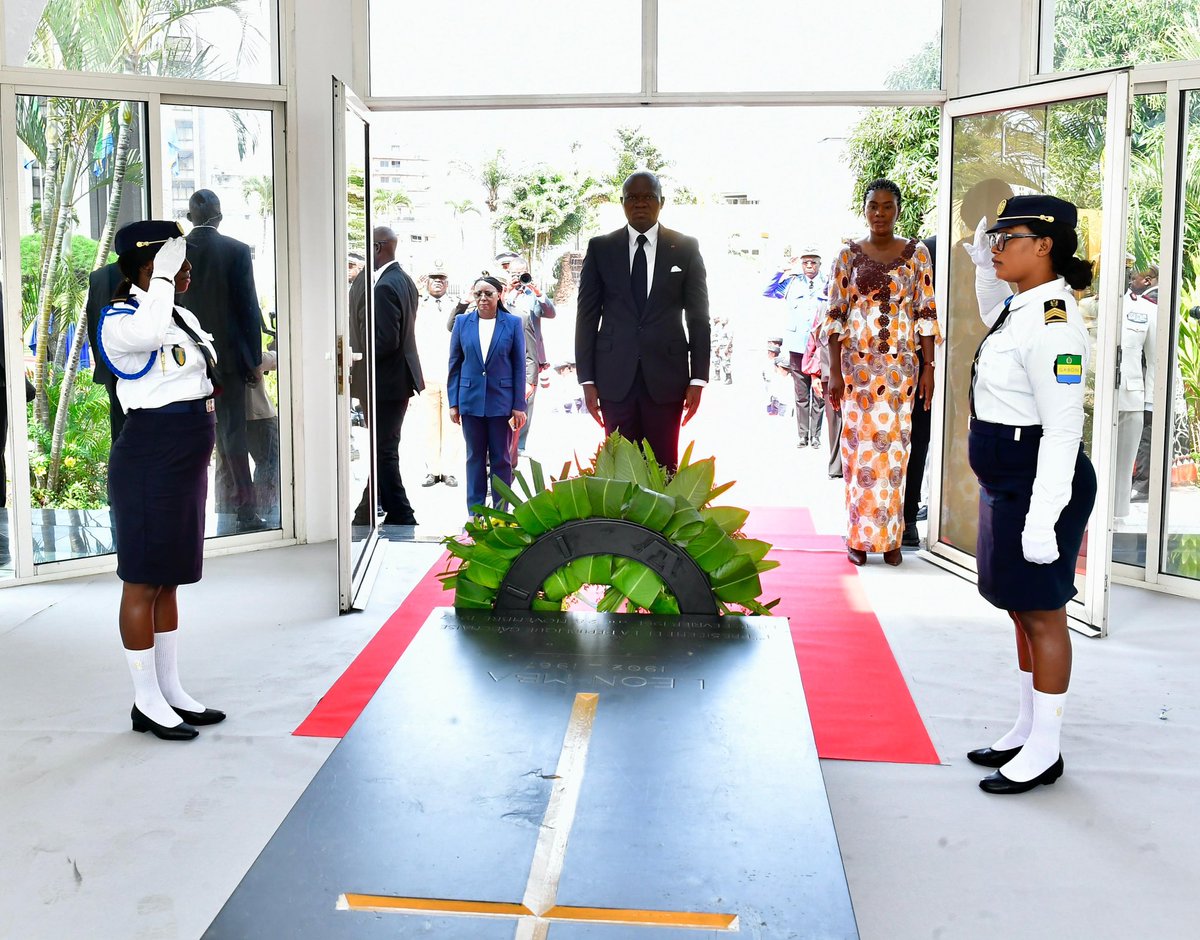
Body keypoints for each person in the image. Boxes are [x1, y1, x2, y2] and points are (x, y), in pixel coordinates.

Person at [963, 194, 1097, 794]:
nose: (995, 246)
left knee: (1044, 615)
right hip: (1010, 482)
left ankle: (1047, 749)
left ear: (1044, 244)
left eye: (1006, 236)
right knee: (1019, 607)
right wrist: (979, 263)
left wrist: (1044, 519)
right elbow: (992, 306)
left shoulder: (1056, 324)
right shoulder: (1022, 307)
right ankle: (1026, 727)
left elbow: (1065, 428)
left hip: (1043, 484)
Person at [96, 221, 225, 741]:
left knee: (170, 577)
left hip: (186, 458)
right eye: (176, 265)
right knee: (143, 579)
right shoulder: (120, 322)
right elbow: (150, 338)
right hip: (150, 458)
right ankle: (144, 700)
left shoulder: (180, 314)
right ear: (147, 270)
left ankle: (170, 691)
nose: (186, 272)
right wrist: (162, 282)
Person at [824, 179, 941, 566]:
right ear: (864, 209)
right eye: (873, 206)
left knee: (894, 452)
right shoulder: (848, 255)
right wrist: (835, 374)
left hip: (900, 370)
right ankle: (858, 538)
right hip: (857, 370)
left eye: (888, 206)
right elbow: (836, 313)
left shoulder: (916, 254)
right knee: (858, 453)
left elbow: (925, 311)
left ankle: (891, 538)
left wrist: (929, 367)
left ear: (898, 210)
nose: (880, 213)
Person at [575, 170, 710, 473]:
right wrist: (587, 379)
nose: (640, 203)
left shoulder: (685, 247)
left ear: (661, 201)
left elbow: (699, 316)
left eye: (648, 196)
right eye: (632, 198)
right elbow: (586, 317)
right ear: (622, 203)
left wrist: (698, 378)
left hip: (667, 379)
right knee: (620, 469)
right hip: (613, 380)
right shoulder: (601, 248)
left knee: (663, 468)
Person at [182, 189, 265, 531]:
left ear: (191, 218)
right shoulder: (237, 250)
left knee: (184, 436)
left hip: (182, 359)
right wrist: (253, 362)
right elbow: (249, 309)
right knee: (234, 436)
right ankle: (245, 511)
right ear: (220, 217)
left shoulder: (175, 249)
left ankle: (185, 514)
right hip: (228, 362)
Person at [354, 226, 423, 527]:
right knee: (383, 447)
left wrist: (353, 358)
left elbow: (384, 341)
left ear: (379, 247)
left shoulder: (383, 287)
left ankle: (402, 514)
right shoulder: (404, 281)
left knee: (383, 450)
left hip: (384, 382)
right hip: (399, 380)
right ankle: (364, 512)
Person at [447, 276, 527, 513]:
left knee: (501, 458)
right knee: (474, 457)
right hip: (469, 400)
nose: (483, 298)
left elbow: (518, 365)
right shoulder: (462, 322)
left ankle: (500, 511)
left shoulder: (512, 323)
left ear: (499, 295)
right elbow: (455, 364)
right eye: (478, 293)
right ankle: (475, 511)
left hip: (500, 401)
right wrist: (454, 403)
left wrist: (518, 404)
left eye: (488, 293)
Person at [768, 248, 827, 446]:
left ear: (820, 264)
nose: (809, 266)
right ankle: (803, 435)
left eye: (813, 262)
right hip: (797, 347)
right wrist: (781, 270)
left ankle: (816, 435)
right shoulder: (792, 282)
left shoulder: (827, 283)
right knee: (801, 393)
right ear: (801, 264)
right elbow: (769, 291)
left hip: (819, 348)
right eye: (806, 262)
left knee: (819, 393)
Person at [503, 256, 556, 461]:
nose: (518, 277)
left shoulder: (532, 294)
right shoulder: (504, 294)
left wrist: (538, 292)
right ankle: (506, 442)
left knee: (528, 399)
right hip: (507, 353)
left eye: (521, 272)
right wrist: (508, 292)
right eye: (514, 273)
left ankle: (521, 445)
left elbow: (550, 313)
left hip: (531, 353)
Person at [1115, 268, 1157, 518]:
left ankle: (1116, 522)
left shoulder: (1147, 310)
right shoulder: (1085, 306)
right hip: (1088, 400)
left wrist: (1150, 402)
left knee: (1122, 470)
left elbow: (1155, 361)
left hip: (1130, 399)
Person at [415, 260, 460, 488]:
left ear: (447, 283)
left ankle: (448, 470)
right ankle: (432, 470)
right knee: (429, 424)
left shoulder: (456, 305)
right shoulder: (418, 305)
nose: (438, 283)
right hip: (426, 372)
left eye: (442, 279)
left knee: (452, 424)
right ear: (427, 281)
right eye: (434, 278)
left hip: (450, 373)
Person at [84, 261, 126, 442]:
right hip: (125, 365)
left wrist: (101, 361)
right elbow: (93, 320)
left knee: (120, 426)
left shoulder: (99, 276)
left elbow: (92, 323)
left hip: (110, 363)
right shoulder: (98, 276)